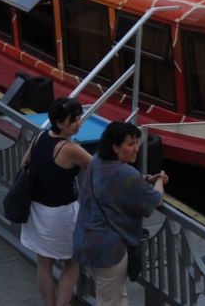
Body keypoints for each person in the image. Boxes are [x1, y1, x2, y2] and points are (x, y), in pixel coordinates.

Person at [73, 121, 168, 305]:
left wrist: (148, 178)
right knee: (108, 300)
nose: (136, 148)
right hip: (109, 250)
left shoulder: (97, 160)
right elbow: (156, 199)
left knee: (117, 295)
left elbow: (128, 183)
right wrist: (160, 180)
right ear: (116, 147)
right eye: (130, 144)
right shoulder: (125, 173)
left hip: (86, 240)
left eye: (137, 143)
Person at [22, 99, 94, 306]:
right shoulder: (70, 148)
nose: (79, 123)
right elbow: (98, 168)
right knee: (72, 262)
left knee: (44, 262)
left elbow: (24, 164)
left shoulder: (39, 137)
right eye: (74, 120)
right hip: (61, 213)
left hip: (37, 209)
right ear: (60, 123)